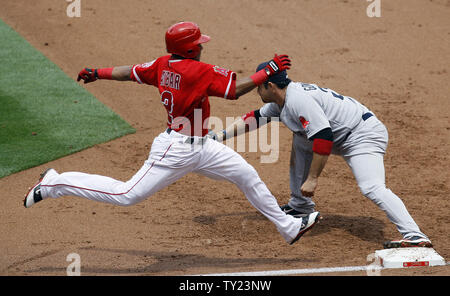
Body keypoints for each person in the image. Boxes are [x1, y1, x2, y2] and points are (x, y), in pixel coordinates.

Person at [24, 22, 321, 245]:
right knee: (126, 194)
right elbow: (234, 90)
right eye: (198, 43)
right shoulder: (197, 71)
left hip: (202, 146)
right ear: (190, 48)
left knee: (246, 175)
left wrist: (97, 72)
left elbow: (130, 72)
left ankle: (288, 227)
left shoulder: (162, 64)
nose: (203, 46)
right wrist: (266, 71)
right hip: (175, 150)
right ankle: (54, 183)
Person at [212, 60, 432, 248]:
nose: (257, 91)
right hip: (342, 132)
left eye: (259, 87)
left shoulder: (298, 100)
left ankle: (414, 235)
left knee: (371, 187)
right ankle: (299, 206)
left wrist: (312, 179)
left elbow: (324, 136)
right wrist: (220, 136)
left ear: (270, 86)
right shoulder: (282, 100)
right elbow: (256, 117)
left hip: (362, 135)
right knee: (301, 137)